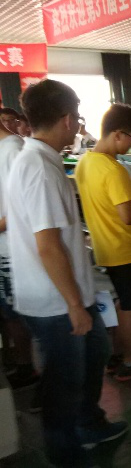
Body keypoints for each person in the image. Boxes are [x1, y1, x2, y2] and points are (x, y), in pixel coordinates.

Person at [8, 79, 127, 467]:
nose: (78, 125)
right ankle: (66, 456)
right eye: (77, 117)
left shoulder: (39, 159)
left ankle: (89, 422)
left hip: (68, 292)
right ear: (66, 119)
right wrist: (74, 304)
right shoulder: (39, 167)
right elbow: (47, 245)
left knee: (96, 353)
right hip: (56, 301)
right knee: (64, 383)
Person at [75, 104, 131, 382]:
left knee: (121, 304)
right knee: (130, 309)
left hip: (105, 248)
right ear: (117, 134)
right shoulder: (113, 169)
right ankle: (129, 362)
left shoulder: (84, 163)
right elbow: (128, 216)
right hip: (128, 250)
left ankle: (116, 356)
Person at [0, 107, 38, 390]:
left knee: (24, 315)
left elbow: (26, 208)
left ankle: (38, 374)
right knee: (11, 315)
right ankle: (25, 367)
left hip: (15, 252)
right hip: (5, 250)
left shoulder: (14, 151)